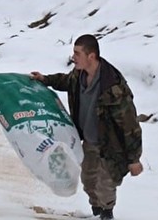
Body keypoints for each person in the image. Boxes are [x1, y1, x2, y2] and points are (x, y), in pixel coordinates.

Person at [30, 34, 143, 220]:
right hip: (89, 142)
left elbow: (130, 126)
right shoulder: (79, 74)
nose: (73, 57)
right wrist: (45, 79)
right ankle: (96, 214)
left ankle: (107, 215)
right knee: (89, 182)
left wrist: (134, 159)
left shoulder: (113, 87)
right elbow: (66, 81)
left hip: (110, 145)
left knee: (105, 186)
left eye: (77, 53)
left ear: (91, 56)